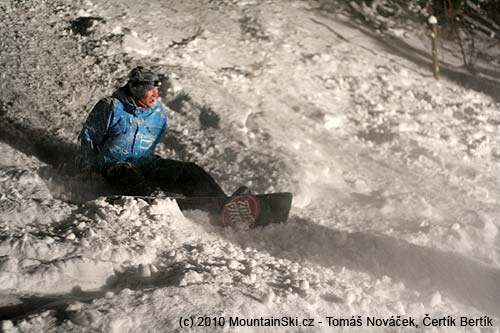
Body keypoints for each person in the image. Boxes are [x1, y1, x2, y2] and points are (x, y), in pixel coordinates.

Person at [78, 66, 241, 197]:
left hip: (147, 165)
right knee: (127, 173)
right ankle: (154, 200)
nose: (155, 94)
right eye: (149, 89)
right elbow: (89, 139)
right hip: (113, 167)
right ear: (135, 88)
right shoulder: (111, 107)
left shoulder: (158, 113)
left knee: (189, 171)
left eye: (156, 89)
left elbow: (151, 144)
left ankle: (220, 202)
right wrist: (87, 174)